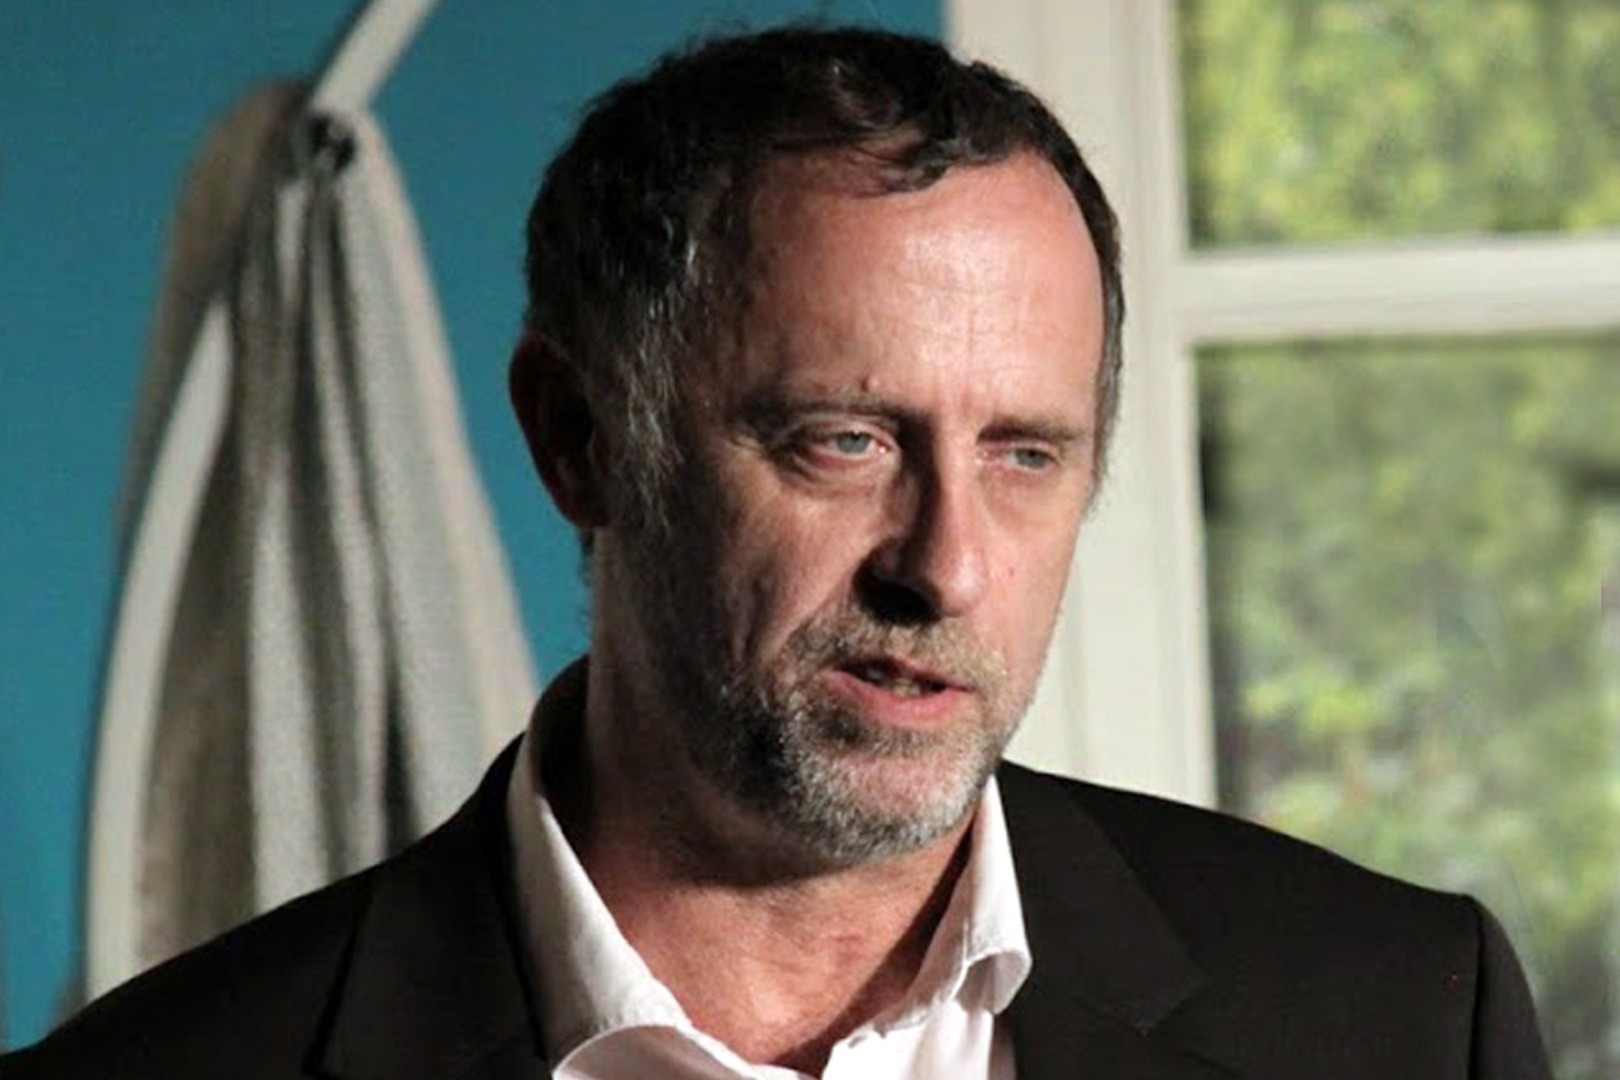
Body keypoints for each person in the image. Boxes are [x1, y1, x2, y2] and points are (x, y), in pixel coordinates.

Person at [5, 24, 1551, 1080]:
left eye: (1025, 454)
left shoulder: (1398, 1021)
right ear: (579, 438)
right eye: (845, 441)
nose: (947, 568)